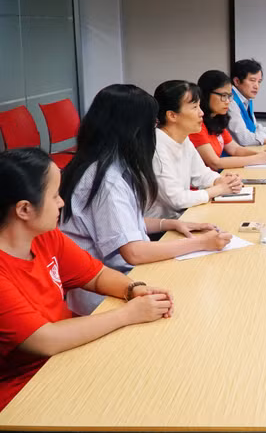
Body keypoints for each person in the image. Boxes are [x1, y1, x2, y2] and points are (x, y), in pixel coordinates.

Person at [0, 148, 174, 410]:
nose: (61, 203)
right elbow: (45, 340)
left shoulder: (45, 236)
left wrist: (134, 289)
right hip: (26, 390)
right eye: (55, 195)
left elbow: (97, 275)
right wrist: (127, 314)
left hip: (69, 355)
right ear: (24, 209)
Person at [59, 84, 232, 314]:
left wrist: (168, 224)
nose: (155, 131)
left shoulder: (110, 165)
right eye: (152, 124)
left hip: (125, 280)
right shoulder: (105, 179)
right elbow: (134, 252)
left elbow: (121, 223)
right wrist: (202, 243)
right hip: (104, 299)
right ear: (132, 129)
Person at [147, 80, 243, 220]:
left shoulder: (184, 139)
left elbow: (201, 174)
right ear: (172, 115)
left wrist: (221, 180)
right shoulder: (156, 146)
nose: (202, 113)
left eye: (199, 106)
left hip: (182, 217)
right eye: (194, 107)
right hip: (161, 230)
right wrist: (219, 189)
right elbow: (177, 199)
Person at [191, 70, 266, 170]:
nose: (228, 101)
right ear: (206, 94)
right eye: (223, 96)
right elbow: (215, 163)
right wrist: (257, 158)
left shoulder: (217, 119)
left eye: (229, 96)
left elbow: (235, 149)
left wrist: (262, 155)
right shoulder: (197, 125)